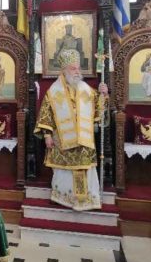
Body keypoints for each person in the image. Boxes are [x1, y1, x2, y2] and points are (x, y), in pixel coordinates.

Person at [34, 49, 109, 211]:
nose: (77, 71)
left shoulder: (86, 89)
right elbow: (46, 115)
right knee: (64, 171)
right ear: (64, 70)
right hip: (63, 140)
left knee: (85, 167)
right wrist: (47, 135)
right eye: (73, 68)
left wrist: (103, 95)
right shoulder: (54, 91)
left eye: (78, 68)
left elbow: (99, 109)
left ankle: (87, 200)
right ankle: (64, 198)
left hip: (84, 139)